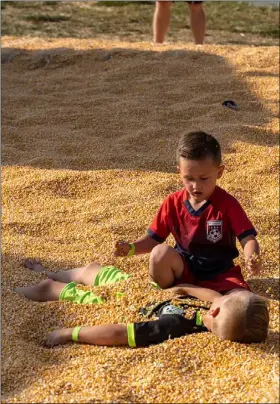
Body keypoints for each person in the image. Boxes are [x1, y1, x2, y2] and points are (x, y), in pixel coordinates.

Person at [115, 131, 262, 295]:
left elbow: (248, 239)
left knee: (241, 299)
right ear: (179, 172)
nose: (196, 186)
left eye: (204, 178)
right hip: (183, 269)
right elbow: (154, 239)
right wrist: (132, 248)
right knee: (159, 254)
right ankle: (169, 294)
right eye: (189, 178)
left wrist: (252, 257)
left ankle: (196, 293)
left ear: (219, 172)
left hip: (220, 273)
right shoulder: (172, 203)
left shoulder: (228, 204)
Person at [15, 260, 269, 348]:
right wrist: (175, 289)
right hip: (138, 288)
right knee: (95, 271)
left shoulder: (175, 326)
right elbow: (199, 292)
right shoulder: (215, 305)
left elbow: (121, 333)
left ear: (217, 311)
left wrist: (69, 332)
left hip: (117, 304)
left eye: (226, 297)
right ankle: (50, 271)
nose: (220, 295)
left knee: (56, 290)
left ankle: (17, 289)